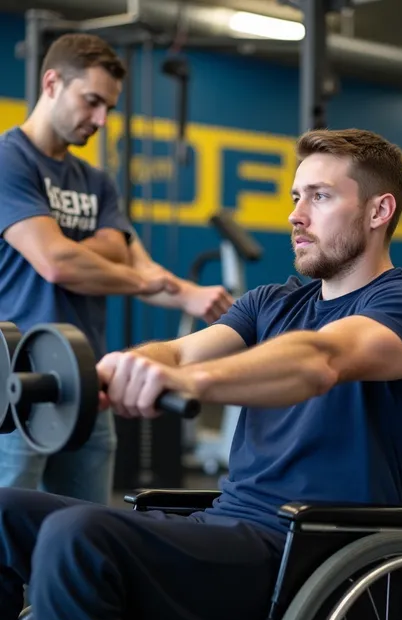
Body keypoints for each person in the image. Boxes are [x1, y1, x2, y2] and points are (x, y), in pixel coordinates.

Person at [0, 128, 402, 620]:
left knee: (77, 533)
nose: (296, 215)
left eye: (318, 196)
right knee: (4, 512)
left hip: (305, 556)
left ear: (378, 210)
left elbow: (323, 358)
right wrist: (119, 367)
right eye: (295, 197)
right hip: (224, 531)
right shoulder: (271, 302)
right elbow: (182, 351)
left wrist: (188, 382)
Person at [0, 33, 233, 504]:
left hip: (88, 376)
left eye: (108, 107)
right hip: (19, 374)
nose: (101, 120)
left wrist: (187, 292)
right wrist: (113, 263)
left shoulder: (96, 182)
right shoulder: (9, 161)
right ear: (51, 83)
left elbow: (136, 263)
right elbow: (57, 264)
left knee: (84, 526)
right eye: (91, 102)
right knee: (8, 529)